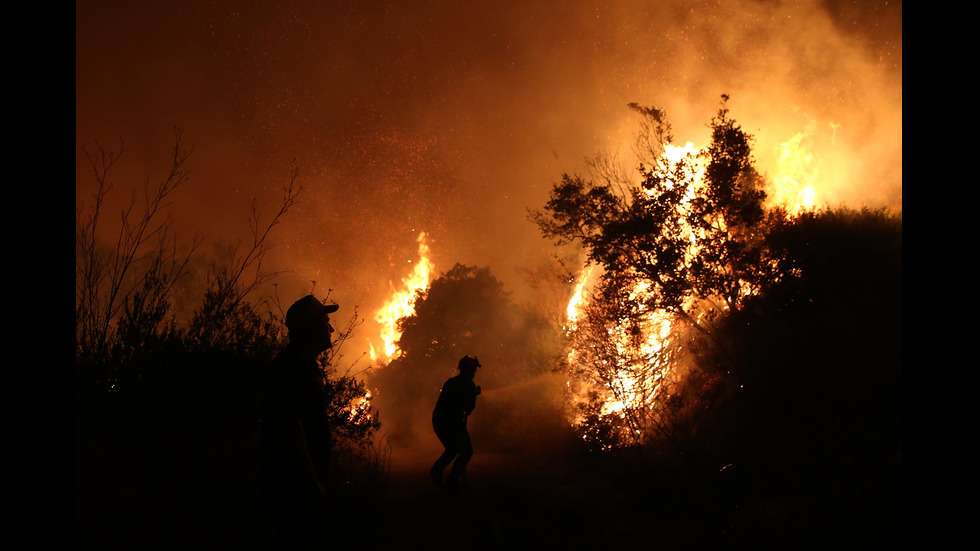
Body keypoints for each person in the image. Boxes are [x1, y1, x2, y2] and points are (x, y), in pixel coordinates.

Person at [258, 294, 338, 550]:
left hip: (297, 484)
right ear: (312, 327)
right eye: (326, 321)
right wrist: (311, 483)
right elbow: (290, 429)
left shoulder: (300, 365)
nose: (332, 328)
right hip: (294, 488)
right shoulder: (293, 369)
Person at [430, 355, 482, 490]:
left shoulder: (452, 382)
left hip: (441, 420)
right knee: (465, 450)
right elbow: (468, 409)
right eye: (473, 370)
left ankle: (439, 472)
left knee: (455, 449)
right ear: (467, 370)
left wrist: (472, 395)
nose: (473, 374)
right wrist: (473, 395)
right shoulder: (467, 385)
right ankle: (450, 480)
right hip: (450, 421)